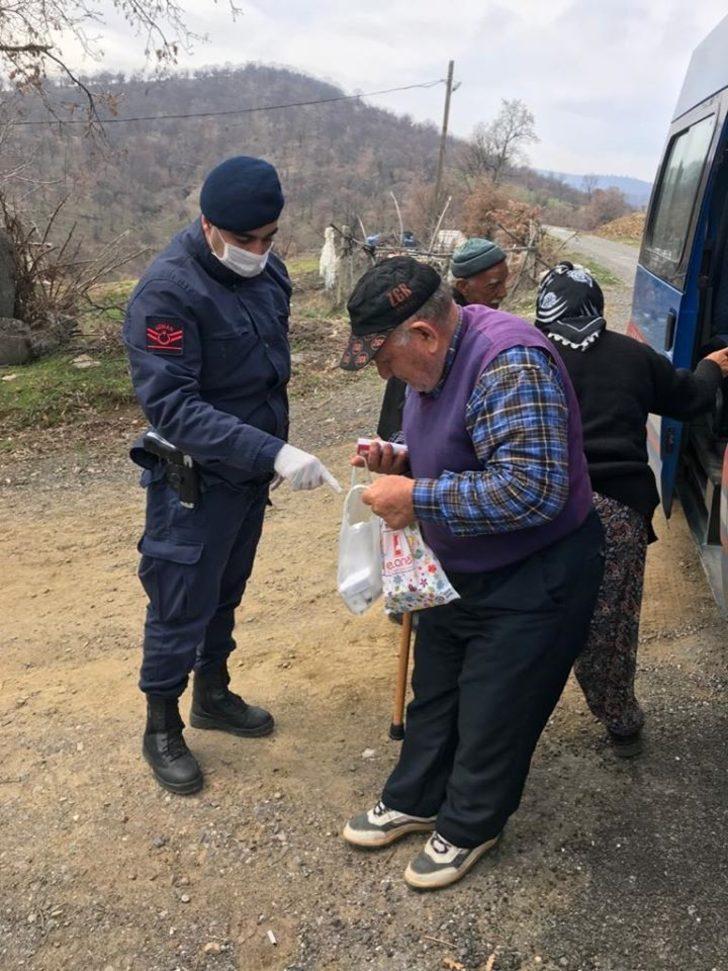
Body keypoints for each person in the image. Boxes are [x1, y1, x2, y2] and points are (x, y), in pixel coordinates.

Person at [338, 256, 604, 890]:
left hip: (537, 574)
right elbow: (466, 444)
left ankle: (470, 823)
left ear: (423, 337)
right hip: (463, 567)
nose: (383, 373)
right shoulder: (436, 361)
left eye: (383, 360)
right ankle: (418, 795)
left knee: (494, 707)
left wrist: (418, 498)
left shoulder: (507, 363)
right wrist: (398, 456)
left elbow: (531, 488)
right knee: (437, 688)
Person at [124, 156, 339, 796]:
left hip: (247, 477)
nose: (259, 252)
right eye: (245, 241)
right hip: (193, 482)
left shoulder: (268, 272)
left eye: (269, 239)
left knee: (227, 587)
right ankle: (161, 724)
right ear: (209, 225)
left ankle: (211, 693)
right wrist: (273, 452)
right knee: (179, 599)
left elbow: (269, 364)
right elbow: (173, 408)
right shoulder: (167, 292)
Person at [534, 261, 728, 757]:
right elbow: (691, 399)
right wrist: (715, 366)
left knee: (534, 616)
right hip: (616, 510)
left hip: (542, 506)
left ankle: (513, 721)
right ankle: (620, 721)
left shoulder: (528, 357)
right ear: (596, 305)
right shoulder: (632, 356)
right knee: (609, 624)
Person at [376, 237, 508, 440]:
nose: (503, 292)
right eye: (493, 286)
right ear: (463, 286)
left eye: (504, 282)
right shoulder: (446, 323)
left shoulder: (479, 327)